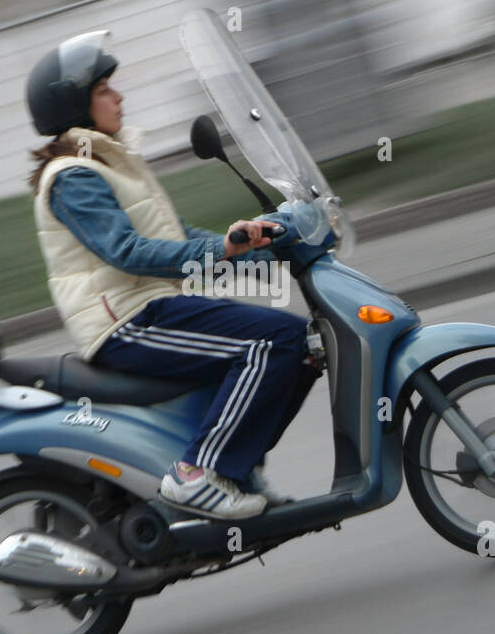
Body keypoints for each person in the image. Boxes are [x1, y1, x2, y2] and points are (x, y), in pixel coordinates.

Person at [25, 29, 319, 520]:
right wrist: (224, 247)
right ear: (75, 107)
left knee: (303, 349)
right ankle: (197, 474)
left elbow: (180, 236)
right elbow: (128, 252)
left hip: (156, 307)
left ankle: (234, 468)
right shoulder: (73, 177)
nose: (118, 98)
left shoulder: (111, 163)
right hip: (126, 321)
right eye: (103, 91)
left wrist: (268, 250)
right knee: (271, 343)